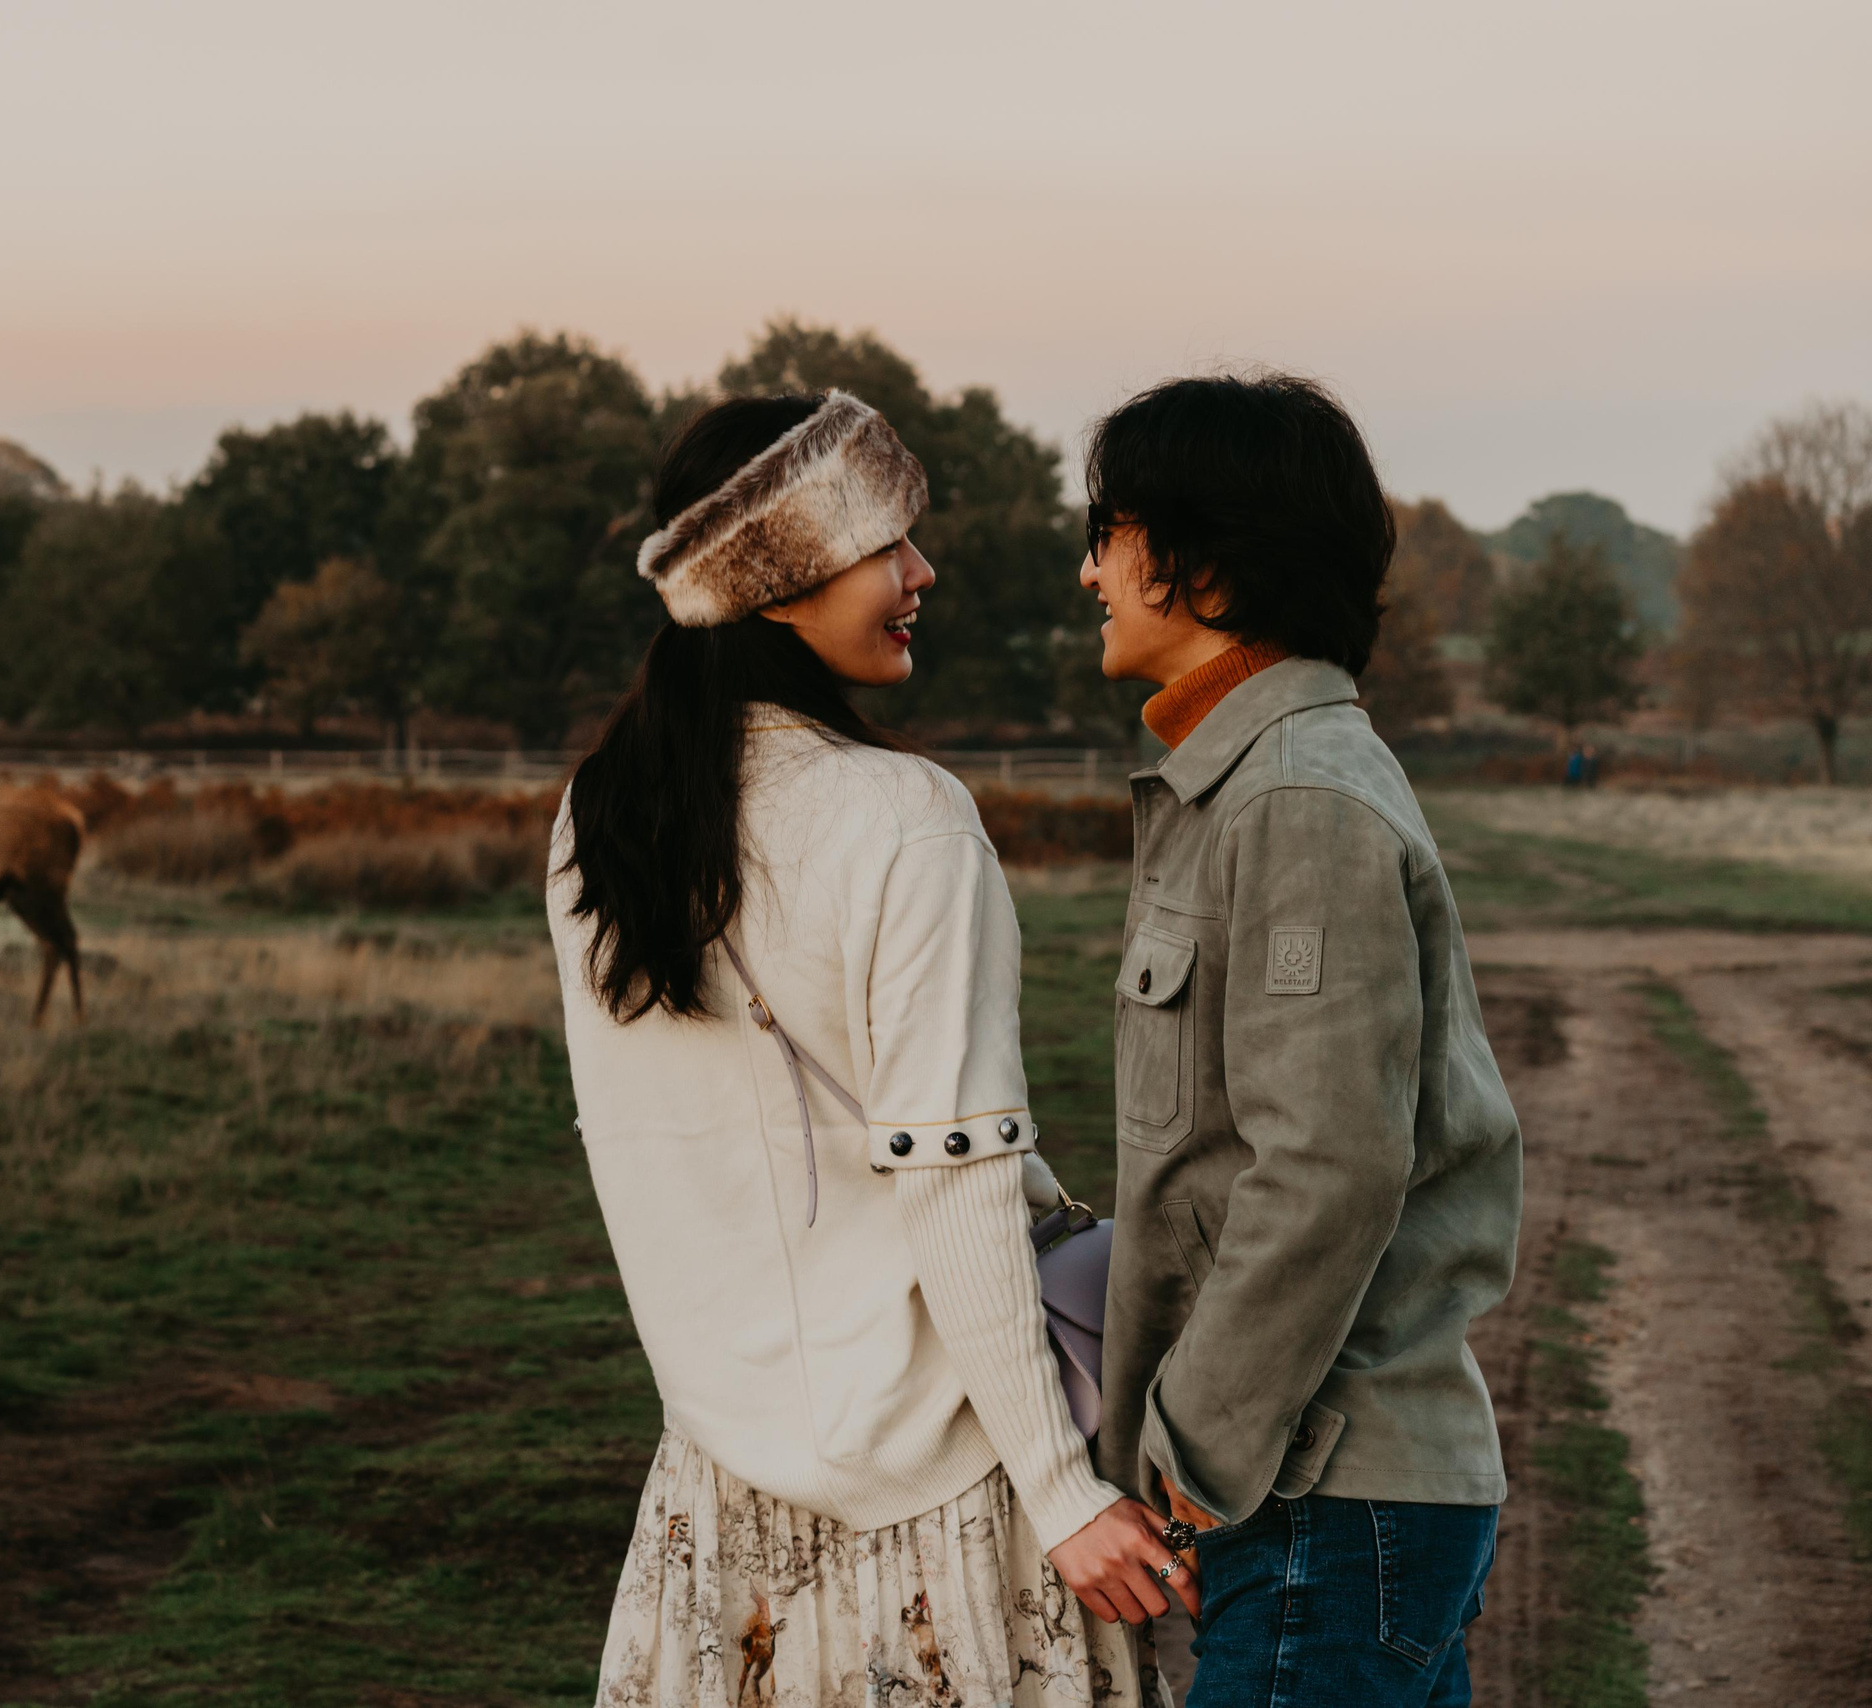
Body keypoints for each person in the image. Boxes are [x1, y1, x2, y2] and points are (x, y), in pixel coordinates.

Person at [551, 391, 1182, 1707]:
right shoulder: (907, 820)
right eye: (886, 544)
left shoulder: (597, 825)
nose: (921, 575)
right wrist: (1065, 1492)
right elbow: (951, 1181)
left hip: (718, 1493)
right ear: (777, 580)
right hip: (946, 1483)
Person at [1076, 374, 1523, 1706]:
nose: (1088, 568)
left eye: (1110, 530)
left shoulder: (1296, 801)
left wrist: (1191, 1470)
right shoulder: (1250, 786)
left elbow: (1325, 1170)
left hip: (1325, 1495)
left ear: (1202, 565)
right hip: (1321, 1487)